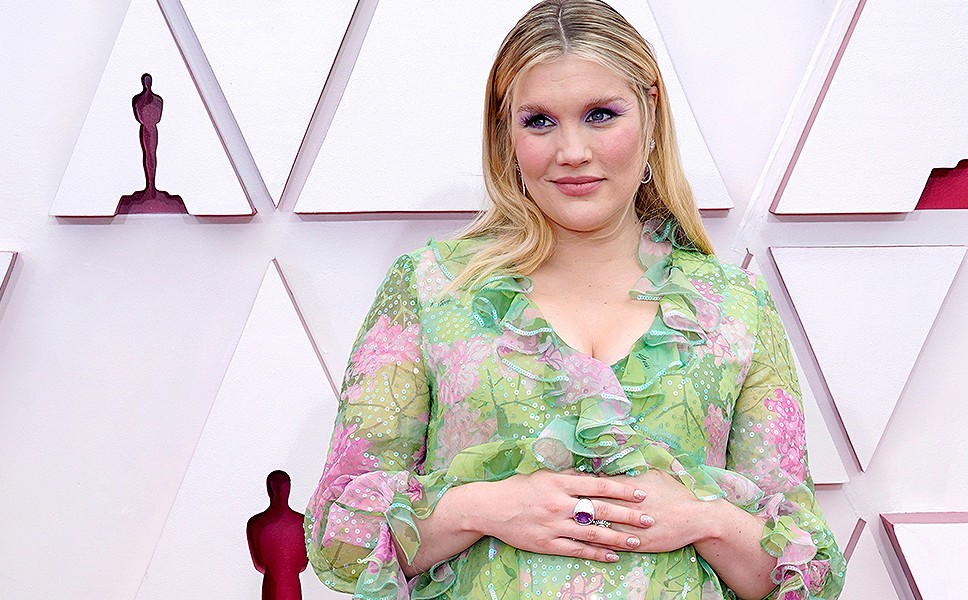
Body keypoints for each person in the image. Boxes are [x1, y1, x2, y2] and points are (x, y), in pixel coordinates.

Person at [304, 1, 845, 598]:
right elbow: (340, 534)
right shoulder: (433, 290)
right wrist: (485, 507)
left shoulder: (734, 308)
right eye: (539, 121)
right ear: (505, 134)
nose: (572, 152)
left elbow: (805, 571)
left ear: (650, 116)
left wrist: (701, 518)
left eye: (600, 115)